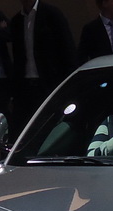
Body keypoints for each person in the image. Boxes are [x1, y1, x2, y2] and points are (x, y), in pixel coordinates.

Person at [9, 0, 76, 137]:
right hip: (25, 87)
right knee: (25, 131)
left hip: (48, 84)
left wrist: (68, 86)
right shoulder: (16, 21)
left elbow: (67, 49)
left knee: (50, 128)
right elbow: (17, 58)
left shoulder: (52, 14)